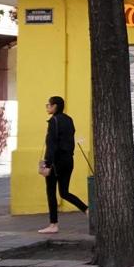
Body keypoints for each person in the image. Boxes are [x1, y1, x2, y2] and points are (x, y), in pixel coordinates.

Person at [39, 96, 88, 234]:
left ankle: (53, 225)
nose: (47, 107)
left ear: (55, 106)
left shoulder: (54, 121)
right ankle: (87, 209)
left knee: (51, 192)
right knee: (64, 192)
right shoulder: (69, 119)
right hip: (68, 160)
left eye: (48, 105)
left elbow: (52, 145)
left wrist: (48, 165)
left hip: (56, 162)